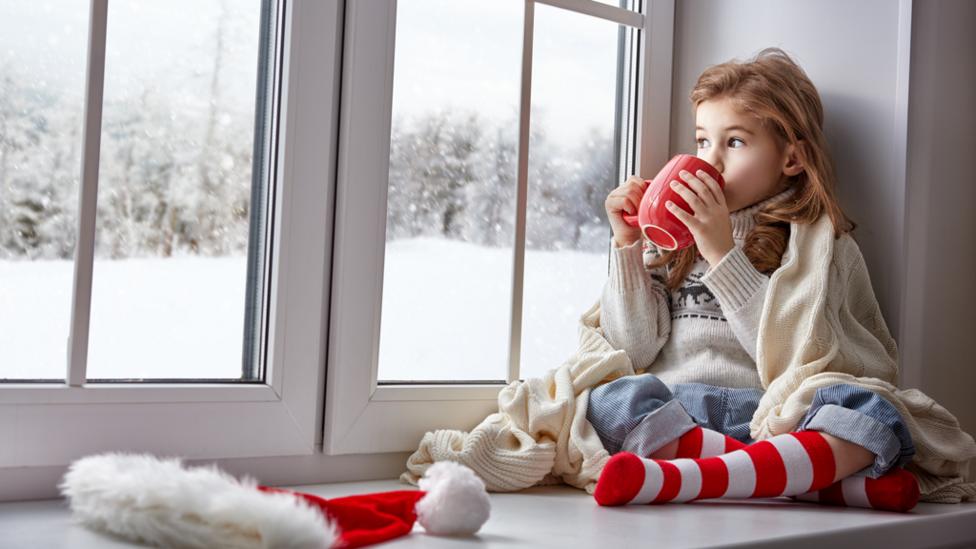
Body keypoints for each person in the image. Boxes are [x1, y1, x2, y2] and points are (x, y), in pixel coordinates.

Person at [588, 47, 919, 512]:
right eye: (703, 141)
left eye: (735, 142)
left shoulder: (818, 246)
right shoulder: (672, 240)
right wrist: (627, 248)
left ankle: (698, 476)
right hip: (679, 411)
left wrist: (721, 251)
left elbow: (793, 355)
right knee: (609, 400)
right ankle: (808, 481)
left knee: (872, 412)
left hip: (770, 414)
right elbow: (633, 348)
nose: (712, 161)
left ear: (792, 159)